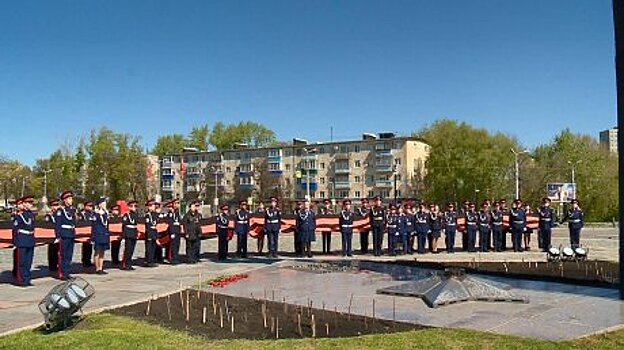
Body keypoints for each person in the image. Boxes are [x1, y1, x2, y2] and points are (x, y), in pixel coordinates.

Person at [13, 196, 36, 287]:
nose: (31, 205)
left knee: (28, 261)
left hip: (30, 239)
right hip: (22, 239)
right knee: (22, 261)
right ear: (24, 204)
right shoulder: (19, 216)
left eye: (31, 203)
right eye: (29, 203)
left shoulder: (31, 214)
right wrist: (15, 242)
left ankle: (27, 278)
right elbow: (15, 230)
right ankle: (21, 279)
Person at [55, 190, 77, 280]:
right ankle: (62, 273)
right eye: (69, 199)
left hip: (71, 233)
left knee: (69, 254)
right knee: (63, 254)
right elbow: (58, 224)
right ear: (64, 200)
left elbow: (74, 222)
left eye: (71, 198)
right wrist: (58, 235)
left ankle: (67, 272)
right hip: (64, 234)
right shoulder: (61, 210)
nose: (71, 200)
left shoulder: (72, 210)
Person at [90, 197, 110, 274]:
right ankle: (97, 268)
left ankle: (101, 268)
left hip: (104, 235)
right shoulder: (95, 214)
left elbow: (107, 225)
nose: (105, 205)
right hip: (98, 235)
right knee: (97, 252)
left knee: (102, 252)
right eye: (103, 203)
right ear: (100, 205)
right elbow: (94, 226)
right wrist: (92, 237)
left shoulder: (106, 213)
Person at [121, 200, 139, 270]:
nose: (134, 207)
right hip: (128, 233)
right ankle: (125, 264)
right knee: (128, 249)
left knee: (132, 249)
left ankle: (129, 263)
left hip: (133, 233)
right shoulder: (126, 215)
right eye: (132, 206)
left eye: (135, 206)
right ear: (129, 207)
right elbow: (124, 225)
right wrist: (124, 235)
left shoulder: (135, 214)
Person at [45, 199, 60, 274]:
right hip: (52, 236)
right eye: (54, 205)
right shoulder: (49, 215)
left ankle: (57, 264)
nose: (55, 207)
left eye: (57, 205)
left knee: (58, 251)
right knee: (52, 251)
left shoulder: (59, 214)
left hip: (59, 235)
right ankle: (52, 266)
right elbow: (48, 225)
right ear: (51, 206)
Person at [165, 199, 182, 264]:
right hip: (173, 232)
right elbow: (170, 223)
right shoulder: (170, 213)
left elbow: (179, 222)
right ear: (173, 204)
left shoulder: (177, 212)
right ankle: (173, 259)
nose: (178, 205)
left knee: (177, 245)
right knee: (173, 246)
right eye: (177, 203)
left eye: (178, 203)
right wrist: (172, 232)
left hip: (177, 231)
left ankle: (176, 258)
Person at [144, 199, 159, 267]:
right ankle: (148, 261)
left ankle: (152, 260)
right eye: (151, 206)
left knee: (153, 248)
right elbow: (148, 226)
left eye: (153, 206)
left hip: (154, 233)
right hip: (149, 234)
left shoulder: (155, 215)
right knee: (149, 248)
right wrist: (149, 236)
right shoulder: (147, 215)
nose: (152, 207)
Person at [80, 201, 94, 268]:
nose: (90, 207)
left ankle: (88, 261)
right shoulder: (82, 214)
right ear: (85, 206)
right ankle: (85, 261)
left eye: (91, 206)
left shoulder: (92, 214)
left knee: (90, 248)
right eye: (89, 206)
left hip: (91, 233)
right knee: (85, 248)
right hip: (85, 234)